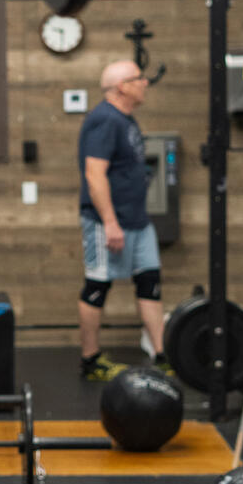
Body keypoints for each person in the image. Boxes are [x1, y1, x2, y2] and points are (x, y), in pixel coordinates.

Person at [76, 60, 171, 380]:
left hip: (139, 222)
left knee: (150, 283)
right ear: (122, 87)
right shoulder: (105, 120)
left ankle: (162, 355)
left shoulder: (126, 121)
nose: (145, 82)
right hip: (108, 222)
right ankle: (91, 360)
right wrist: (111, 223)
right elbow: (94, 174)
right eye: (139, 78)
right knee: (97, 286)